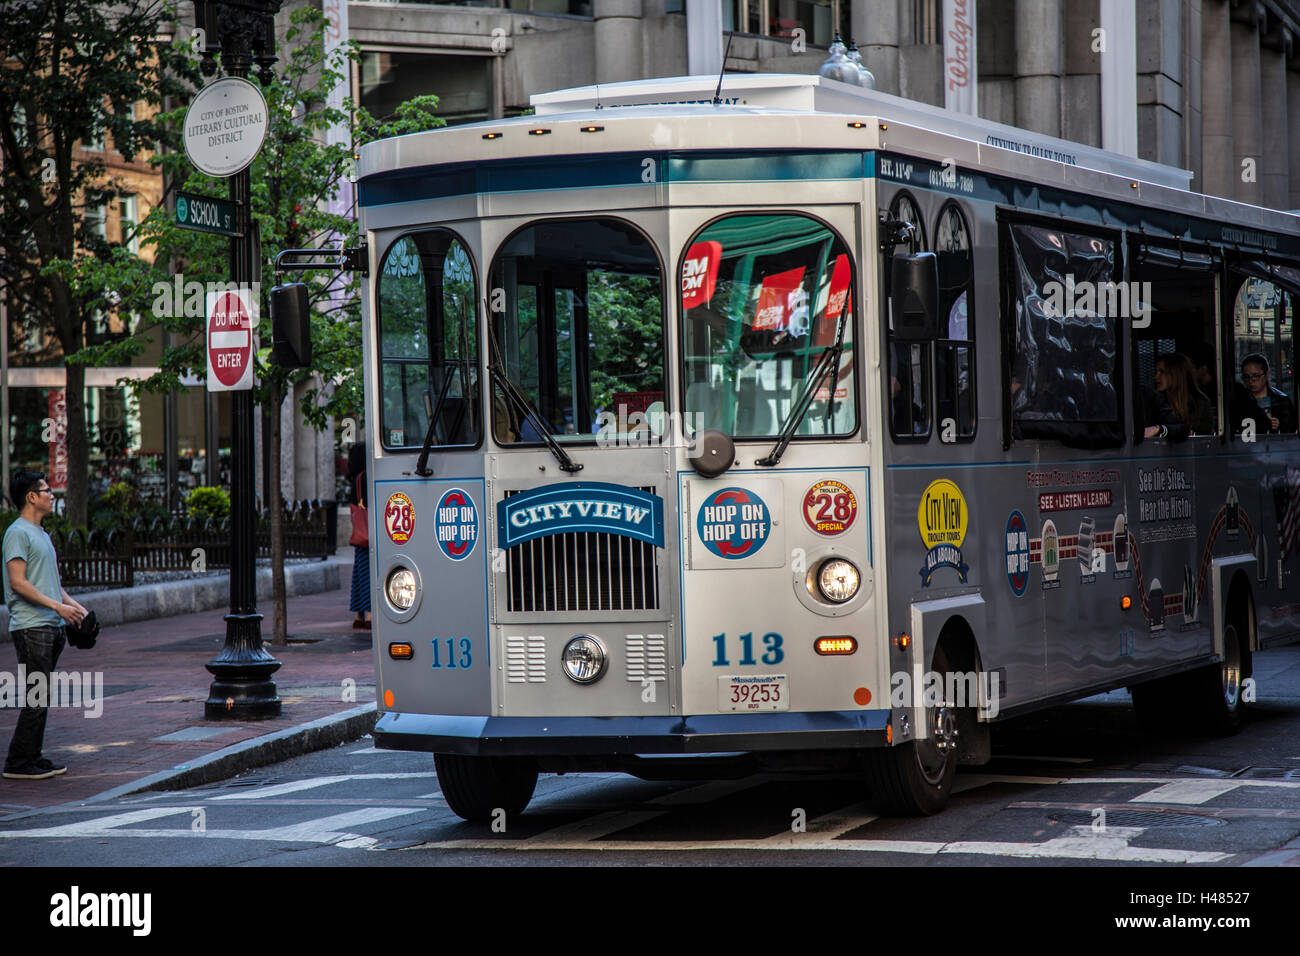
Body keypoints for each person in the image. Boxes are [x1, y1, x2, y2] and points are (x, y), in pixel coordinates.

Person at [2, 471, 87, 780]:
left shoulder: (42, 533)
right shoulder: (18, 533)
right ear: (31, 497)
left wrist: (78, 609)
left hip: (50, 625)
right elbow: (18, 583)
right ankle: (18, 762)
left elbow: (52, 585)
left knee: (41, 696)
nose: (52, 495)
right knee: (36, 696)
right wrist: (57, 607)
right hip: (31, 626)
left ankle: (31, 757)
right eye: (47, 490)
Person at [1153, 352, 1213, 434]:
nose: (1156, 377)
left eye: (1162, 372)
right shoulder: (1155, 401)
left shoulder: (1200, 403)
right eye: (1156, 372)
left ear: (1176, 374)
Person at [345, 444, 370, 630]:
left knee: (359, 573)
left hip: (360, 533)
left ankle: (359, 614)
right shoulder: (367, 477)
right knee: (369, 572)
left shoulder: (355, 480)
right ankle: (369, 614)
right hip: (369, 534)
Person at [1241, 353, 1297, 434]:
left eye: (1256, 376)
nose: (1251, 381)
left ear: (1266, 375)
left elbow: (1291, 431)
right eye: (1247, 377)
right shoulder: (1239, 401)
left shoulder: (1282, 401)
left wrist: (1279, 425)